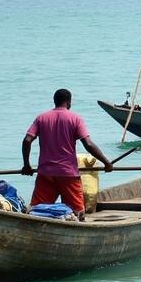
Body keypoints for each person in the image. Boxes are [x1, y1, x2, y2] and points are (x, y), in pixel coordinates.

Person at [22, 88, 113, 220]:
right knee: (78, 213)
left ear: (55, 102)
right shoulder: (75, 119)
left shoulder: (41, 118)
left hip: (46, 174)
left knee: (37, 211)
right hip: (68, 175)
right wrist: (106, 163)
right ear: (69, 103)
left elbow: (27, 140)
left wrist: (27, 165)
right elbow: (88, 144)